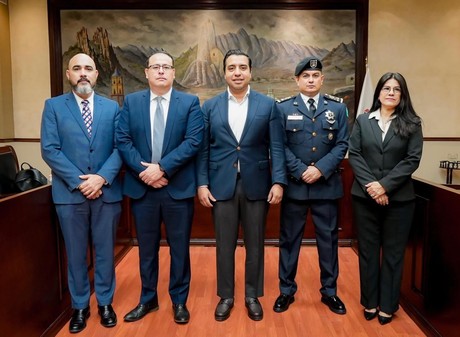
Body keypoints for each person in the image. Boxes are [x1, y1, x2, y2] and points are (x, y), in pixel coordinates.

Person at [196, 49, 287, 322]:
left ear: (250, 72)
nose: (237, 72)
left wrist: (279, 181)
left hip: (257, 185)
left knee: (255, 243)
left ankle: (251, 295)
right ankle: (226, 295)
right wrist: (201, 184)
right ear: (224, 72)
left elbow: (277, 148)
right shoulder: (209, 106)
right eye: (232, 68)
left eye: (242, 67)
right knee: (224, 244)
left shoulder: (267, 105)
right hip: (220, 185)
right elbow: (202, 150)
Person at [116, 48, 203, 325]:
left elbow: (192, 142)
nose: (161, 71)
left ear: (174, 73)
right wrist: (146, 172)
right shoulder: (131, 102)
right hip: (143, 189)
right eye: (156, 67)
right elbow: (123, 140)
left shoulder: (190, 103)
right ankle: (148, 298)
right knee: (147, 248)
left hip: (177, 188)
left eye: (166, 66)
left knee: (179, 248)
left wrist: (162, 168)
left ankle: (179, 300)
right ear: (146, 72)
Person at [41, 53, 123, 333]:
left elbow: (119, 148)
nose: (83, 73)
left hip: (106, 194)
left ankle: (105, 303)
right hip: (69, 195)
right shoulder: (53, 107)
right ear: (68, 74)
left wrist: (100, 178)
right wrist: (81, 182)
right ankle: (79, 306)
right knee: (76, 254)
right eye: (77, 68)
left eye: (88, 68)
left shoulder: (112, 108)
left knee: (104, 253)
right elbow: (50, 149)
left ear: (97, 74)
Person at [274, 57, 349, 315]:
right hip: (295, 186)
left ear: (322, 79)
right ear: (297, 80)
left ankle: (330, 293)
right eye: (305, 76)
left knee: (328, 241)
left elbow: (342, 144)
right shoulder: (283, 108)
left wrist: (320, 169)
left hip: (325, 186)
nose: (310, 80)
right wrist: (300, 169)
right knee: (289, 240)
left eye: (315, 76)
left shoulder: (337, 108)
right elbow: (279, 145)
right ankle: (286, 291)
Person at [348, 72, 423, 325]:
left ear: (402, 95)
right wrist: (373, 188)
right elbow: (355, 154)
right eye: (386, 88)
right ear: (378, 92)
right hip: (364, 197)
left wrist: (384, 187)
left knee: (392, 254)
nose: (391, 92)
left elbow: (412, 159)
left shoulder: (412, 123)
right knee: (368, 252)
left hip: (399, 201)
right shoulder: (363, 121)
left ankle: (388, 305)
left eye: (397, 89)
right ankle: (369, 302)